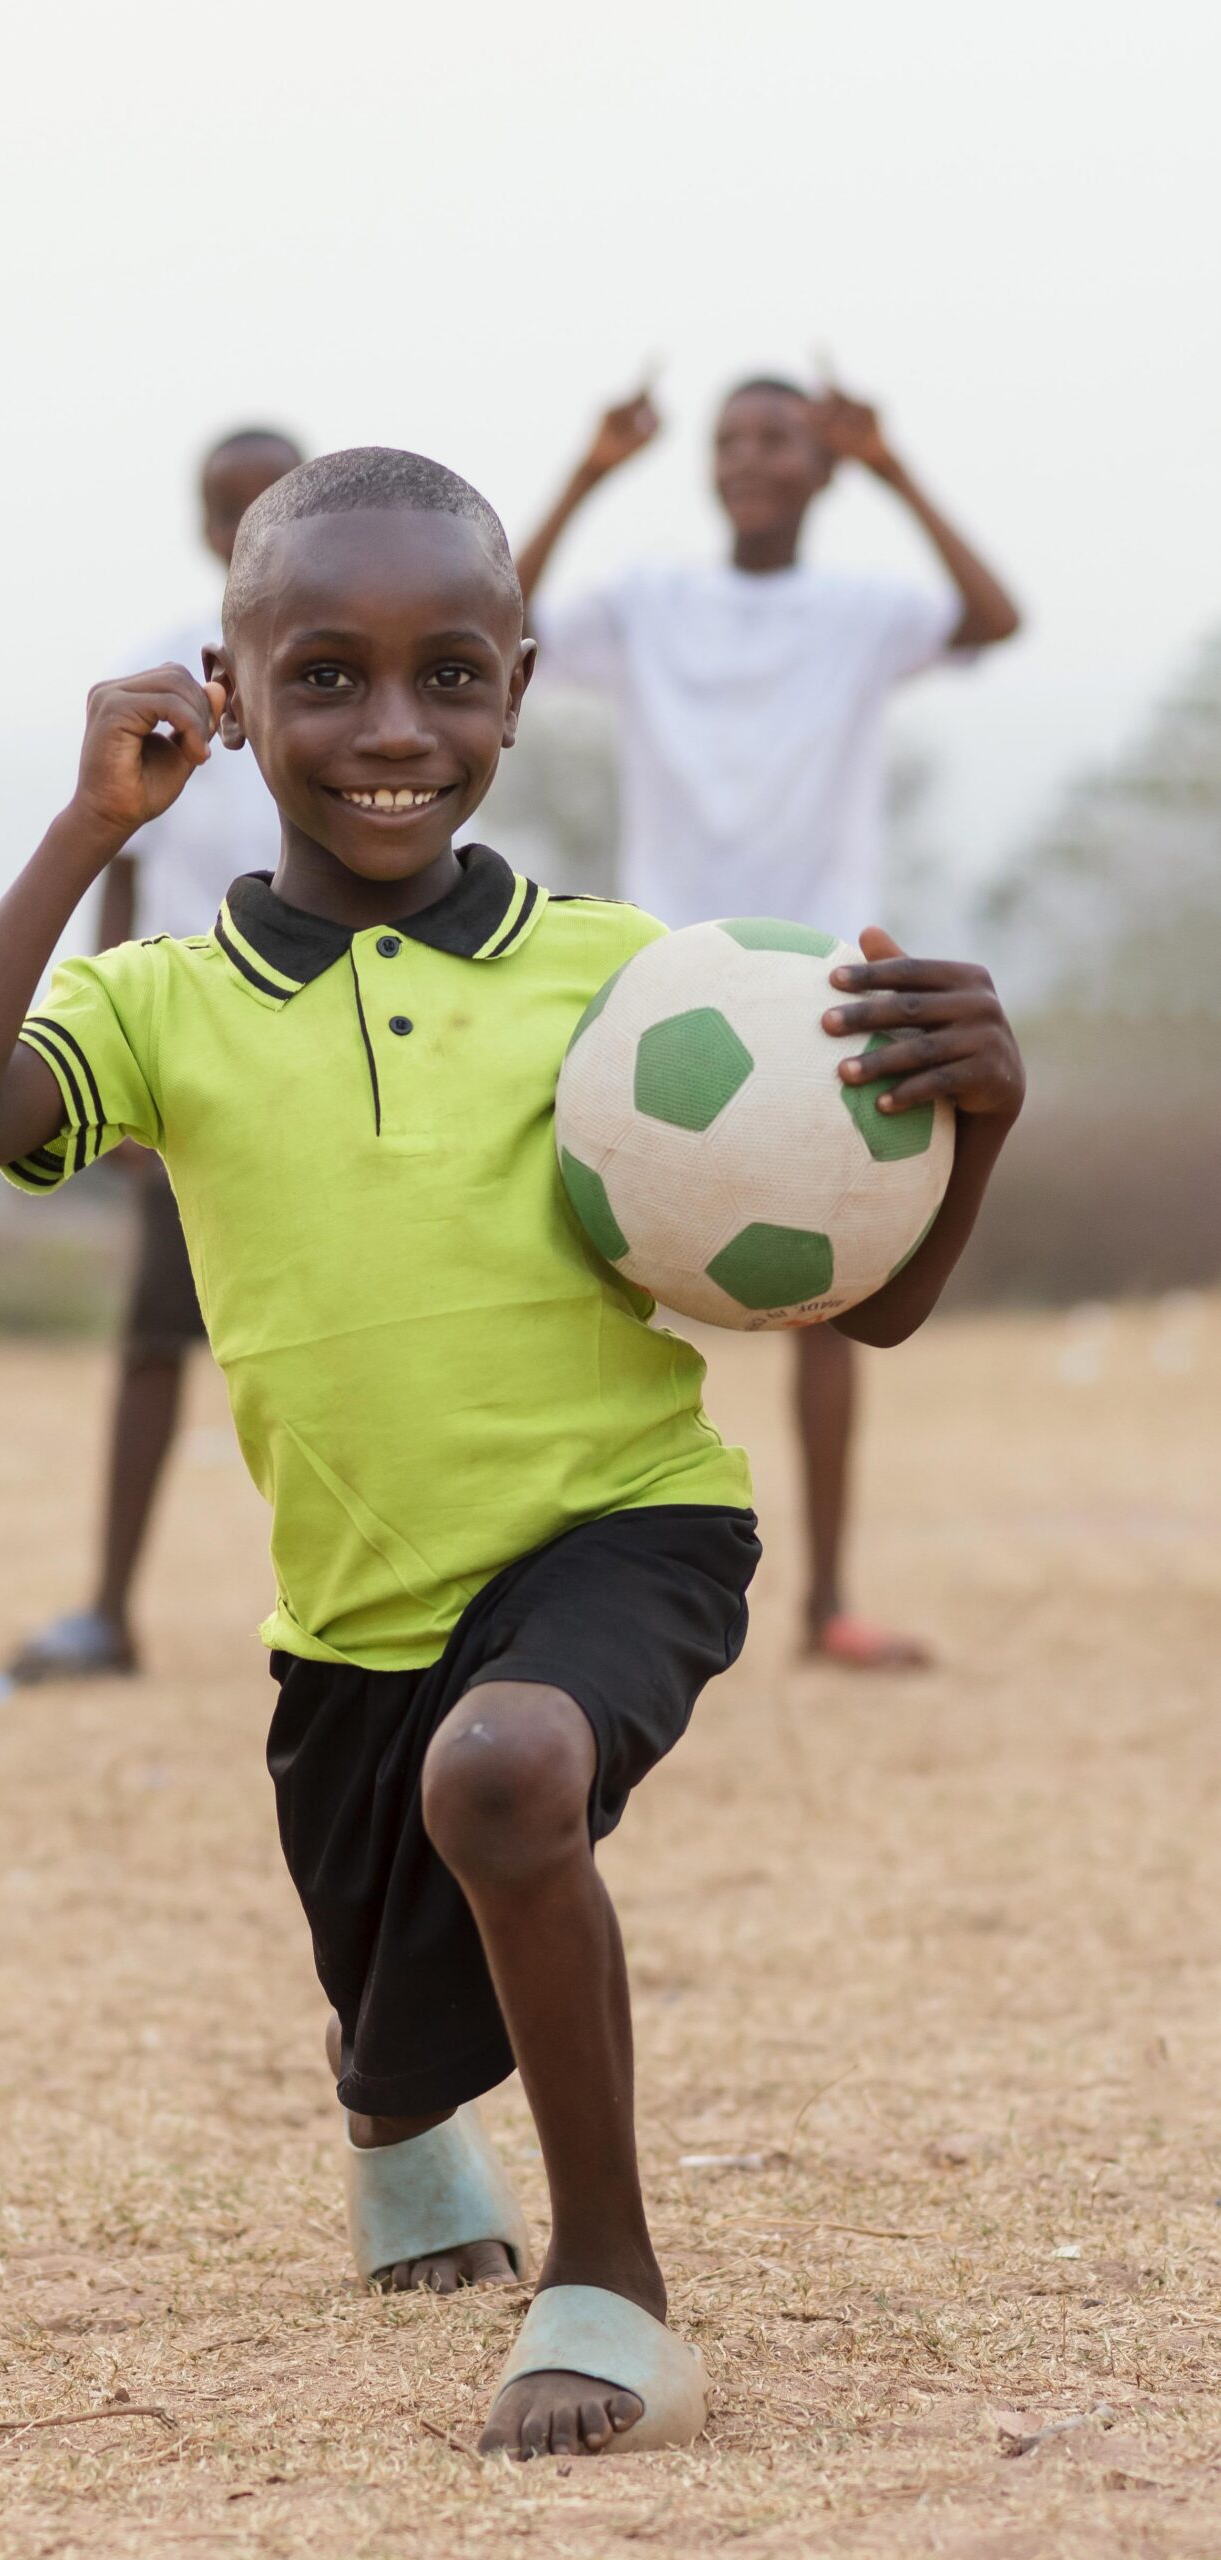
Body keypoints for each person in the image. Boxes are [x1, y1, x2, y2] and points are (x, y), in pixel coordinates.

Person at [0, 449, 1024, 2457]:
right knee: (392, 2019)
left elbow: (865, 1305)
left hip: (623, 1531)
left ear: (517, 685)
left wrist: (974, 1124)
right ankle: (397, 2118)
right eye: (324, 677)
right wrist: (86, 828)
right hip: (354, 1612)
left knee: (508, 1772)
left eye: (450, 677)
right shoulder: (163, 1004)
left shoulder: (634, 980)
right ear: (225, 690)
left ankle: (613, 2278)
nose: (392, 731)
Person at [516, 373, 1022, 1669]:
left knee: (839, 1254)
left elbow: (993, 617)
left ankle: (827, 1601)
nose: (747, 458)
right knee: (576, 1264)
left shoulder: (863, 613)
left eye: (778, 440)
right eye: (729, 439)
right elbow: (496, 622)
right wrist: (584, 468)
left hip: (824, 972)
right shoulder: (647, 603)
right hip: (657, 971)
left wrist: (896, 462)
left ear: (821, 466)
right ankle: (549, 1583)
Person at [7, 425, 302, 1683]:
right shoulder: (162, 671)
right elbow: (119, 875)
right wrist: (114, 1064)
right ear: (200, 526)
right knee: (151, 1336)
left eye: (268, 506)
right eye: (225, 510)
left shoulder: (355, 663)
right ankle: (110, 1608)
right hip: (200, 1056)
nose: (244, 530)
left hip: (349, 1037)